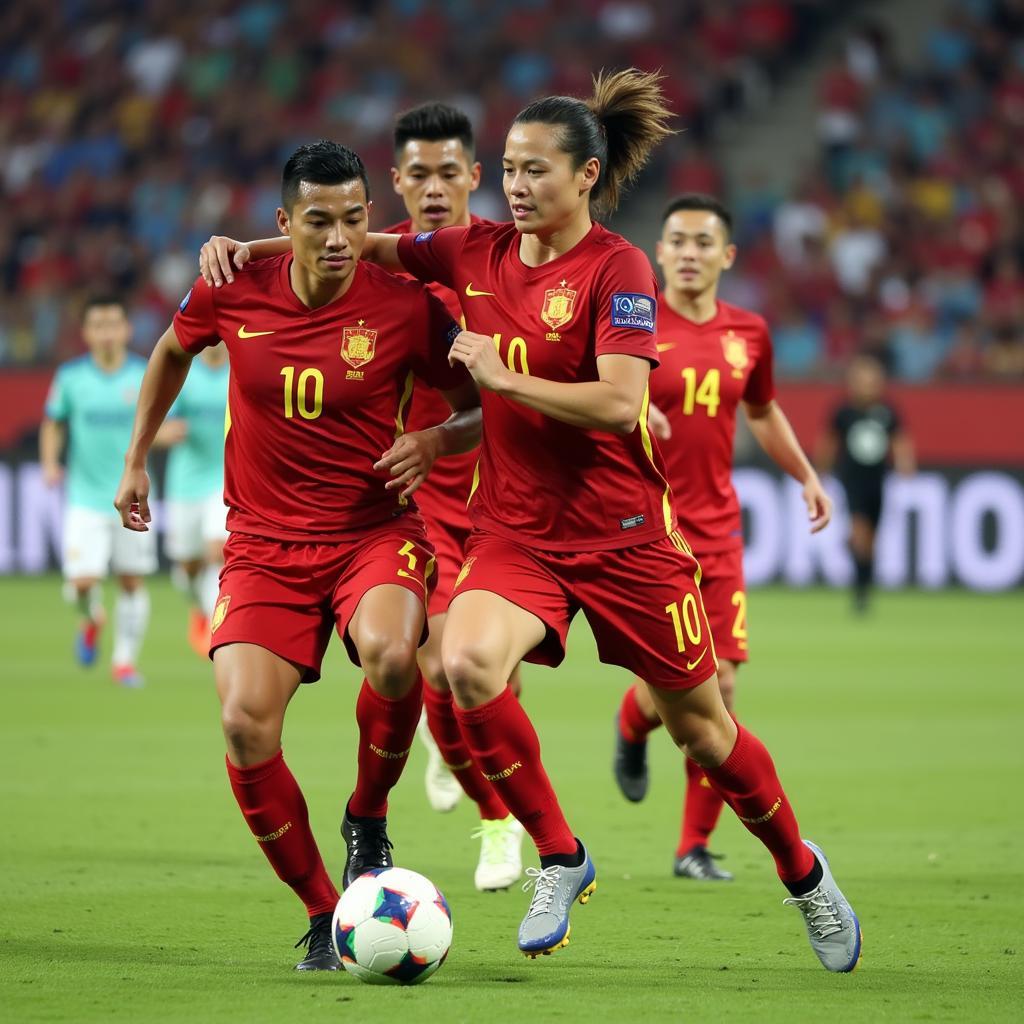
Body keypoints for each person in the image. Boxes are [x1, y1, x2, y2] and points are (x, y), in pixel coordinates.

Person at [200, 70, 862, 973]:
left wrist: (500, 381)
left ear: (586, 176)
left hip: (628, 535)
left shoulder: (619, 268)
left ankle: (803, 873)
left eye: (534, 170)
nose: (514, 185)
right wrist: (247, 247)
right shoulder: (470, 252)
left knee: (705, 730)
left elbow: (621, 401)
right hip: (516, 534)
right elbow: (366, 247)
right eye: (506, 168)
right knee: (464, 667)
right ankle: (559, 852)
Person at [117, 140, 480, 971]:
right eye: (320, 222)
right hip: (262, 547)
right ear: (286, 224)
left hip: (372, 532)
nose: (341, 237)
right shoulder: (230, 286)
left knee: (395, 655)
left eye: (355, 218)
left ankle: (369, 817)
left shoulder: (407, 307)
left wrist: (432, 437)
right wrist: (137, 457)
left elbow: (480, 409)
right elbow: (173, 351)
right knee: (245, 723)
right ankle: (326, 911)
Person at [611, 194, 833, 886]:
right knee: (679, 694)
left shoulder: (750, 333)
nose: (688, 253)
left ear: (726, 256)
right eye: (676, 239)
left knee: (723, 688)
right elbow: (593, 396)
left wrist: (805, 474)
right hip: (646, 534)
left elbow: (762, 410)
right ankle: (630, 725)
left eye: (703, 243)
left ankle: (692, 847)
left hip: (717, 533)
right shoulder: (630, 324)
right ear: (659, 249)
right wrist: (635, 409)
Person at [386, 101, 524, 891]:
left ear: (475, 176)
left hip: (512, 500)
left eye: (449, 173)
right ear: (397, 181)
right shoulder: (377, 271)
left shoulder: (508, 260)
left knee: (489, 677)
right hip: (431, 502)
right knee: (438, 667)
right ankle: (497, 820)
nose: (434, 187)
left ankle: (475, 761)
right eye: (419, 174)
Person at [40, 296, 156, 688]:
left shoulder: (144, 374)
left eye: (113, 325)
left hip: (131, 497)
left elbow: (165, 421)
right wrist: (50, 463)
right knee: (80, 584)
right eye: (98, 326)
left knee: (131, 581)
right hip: (85, 500)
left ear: (126, 330)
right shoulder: (71, 378)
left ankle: (124, 662)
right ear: (87, 333)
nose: (106, 333)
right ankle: (91, 617)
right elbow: (53, 423)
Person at [818, 353, 915, 612]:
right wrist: (821, 471)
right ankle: (860, 593)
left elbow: (899, 440)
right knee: (860, 531)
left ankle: (864, 584)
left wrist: (906, 463)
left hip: (878, 480)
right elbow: (829, 442)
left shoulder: (887, 411)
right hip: (852, 480)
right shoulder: (844, 412)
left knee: (871, 540)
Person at [158, 341, 229, 656]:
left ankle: (217, 628)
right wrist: (169, 432)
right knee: (188, 564)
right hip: (186, 484)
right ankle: (199, 608)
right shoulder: (185, 375)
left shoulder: (241, 372)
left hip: (228, 480)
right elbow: (156, 427)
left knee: (218, 550)